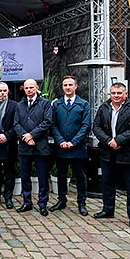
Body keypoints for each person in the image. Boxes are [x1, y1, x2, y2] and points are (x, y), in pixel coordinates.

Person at [93, 82, 130, 229]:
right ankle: (108, 210)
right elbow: (96, 127)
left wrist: (119, 140)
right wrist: (109, 140)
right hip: (107, 153)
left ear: (125, 94)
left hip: (129, 154)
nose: (116, 96)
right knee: (107, 184)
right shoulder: (104, 107)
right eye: (113, 93)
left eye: (119, 93)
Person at [50, 75, 92, 216]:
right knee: (61, 175)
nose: (67, 87)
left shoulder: (84, 104)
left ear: (75, 86)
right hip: (61, 147)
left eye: (70, 85)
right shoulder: (57, 104)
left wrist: (73, 142)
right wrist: (61, 140)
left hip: (77, 148)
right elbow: (53, 124)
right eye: (65, 85)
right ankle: (62, 200)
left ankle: (82, 203)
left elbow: (86, 126)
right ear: (62, 87)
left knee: (80, 176)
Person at [13, 78, 53, 217]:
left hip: (40, 146)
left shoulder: (45, 104)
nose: (29, 90)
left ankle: (43, 204)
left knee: (42, 176)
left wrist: (32, 135)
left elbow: (47, 122)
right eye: (26, 88)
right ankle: (27, 202)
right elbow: (16, 124)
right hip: (25, 147)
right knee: (25, 176)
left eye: (31, 87)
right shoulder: (19, 105)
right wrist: (25, 136)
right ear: (23, 89)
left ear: (36, 88)